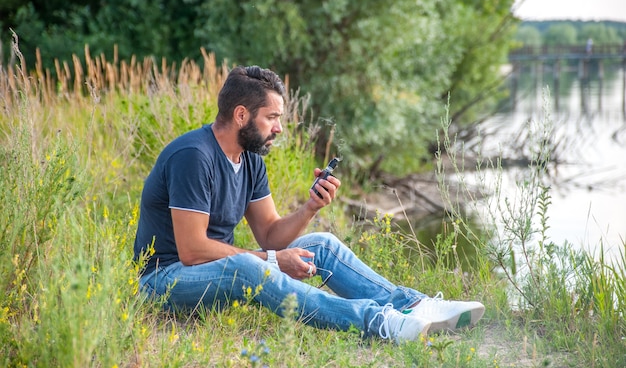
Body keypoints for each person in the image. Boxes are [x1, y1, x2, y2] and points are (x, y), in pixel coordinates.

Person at [133, 65, 485, 343]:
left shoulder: (251, 159)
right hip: (164, 280)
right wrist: (272, 261)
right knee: (251, 268)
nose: (279, 129)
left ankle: (414, 306)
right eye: (272, 118)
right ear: (241, 115)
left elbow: (271, 234)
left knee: (320, 244)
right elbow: (192, 251)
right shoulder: (194, 156)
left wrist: (310, 208)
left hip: (215, 272)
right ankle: (378, 322)